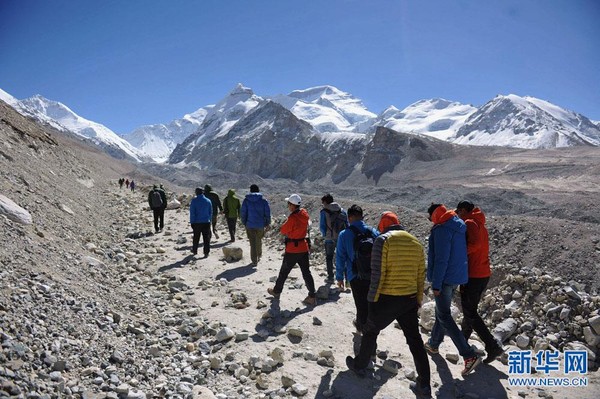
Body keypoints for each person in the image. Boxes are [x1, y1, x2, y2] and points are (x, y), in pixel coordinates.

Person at [346, 212, 431, 397]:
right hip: (409, 299)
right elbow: (420, 275)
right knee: (414, 340)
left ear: (383, 225)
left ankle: (360, 366)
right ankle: (424, 383)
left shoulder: (383, 240)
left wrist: (371, 302)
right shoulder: (415, 242)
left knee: (370, 330)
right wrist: (417, 299)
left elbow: (377, 275)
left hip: (387, 297)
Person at [425, 203, 481, 376]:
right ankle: (434, 344)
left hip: (444, 278)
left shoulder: (442, 230)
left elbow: (441, 259)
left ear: (434, 215)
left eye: (429, 217)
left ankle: (469, 355)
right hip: (456, 276)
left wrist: (436, 284)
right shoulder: (458, 225)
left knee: (444, 316)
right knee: (441, 312)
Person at [456, 200, 504, 364]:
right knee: (470, 309)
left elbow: (474, 245)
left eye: (458, 212)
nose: (457, 215)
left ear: (463, 210)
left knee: (470, 312)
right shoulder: (480, 224)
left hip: (473, 274)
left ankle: (492, 345)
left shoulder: (469, 222)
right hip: (482, 272)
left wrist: (460, 253)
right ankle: (463, 340)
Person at [336, 205, 379, 333]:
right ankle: (369, 328)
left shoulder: (344, 234)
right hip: (373, 274)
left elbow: (340, 257)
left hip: (355, 275)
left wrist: (339, 277)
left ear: (349, 218)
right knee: (370, 304)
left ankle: (363, 331)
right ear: (362, 216)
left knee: (360, 305)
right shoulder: (373, 232)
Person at [267, 194, 317, 306]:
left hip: (292, 249)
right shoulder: (304, 214)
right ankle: (312, 296)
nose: (287, 206)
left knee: (284, 272)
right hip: (303, 247)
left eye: (288, 204)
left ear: (292, 205)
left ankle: (276, 291)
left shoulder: (293, 218)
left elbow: (283, 230)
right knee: (306, 272)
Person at [319, 193, 348, 284]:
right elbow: (347, 224)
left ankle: (331, 277)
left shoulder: (324, 212)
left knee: (329, 258)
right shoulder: (342, 211)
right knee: (343, 257)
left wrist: (325, 235)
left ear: (325, 202)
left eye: (323, 202)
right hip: (341, 238)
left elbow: (322, 226)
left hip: (329, 238)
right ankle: (347, 279)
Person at [241, 184, 271, 266]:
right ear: (258, 190)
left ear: (250, 190)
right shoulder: (263, 201)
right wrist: (268, 222)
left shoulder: (246, 201)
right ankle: (259, 254)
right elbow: (267, 213)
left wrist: (244, 222)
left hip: (249, 224)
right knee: (259, 239)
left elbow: (243, 213)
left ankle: (254, 260)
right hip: (260, 225)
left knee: (252, 242)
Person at [189, 187, 212, 257]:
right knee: (206, 238)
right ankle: (206, 252)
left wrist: (192, 222)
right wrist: (209, 220)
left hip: (197, 222)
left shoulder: (194, 201)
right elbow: (210, 212)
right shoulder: (208, 201)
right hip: (206, 222)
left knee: (196, 237)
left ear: (196, 192)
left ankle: (195, 251)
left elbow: (192, 213)